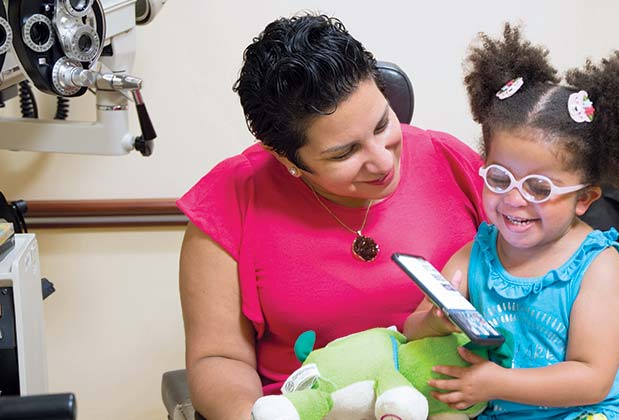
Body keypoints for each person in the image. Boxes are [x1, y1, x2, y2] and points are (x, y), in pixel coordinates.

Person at [177, 13, 486, 420]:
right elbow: (219, 357)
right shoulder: (229, 202)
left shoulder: (452, 162)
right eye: (344, 153)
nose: (381, 161)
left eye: (382, 124)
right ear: (287, 159)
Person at [404, 23, 619, 420]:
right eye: (499, 178)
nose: (513, 199)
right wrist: (434, 323)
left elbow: (592, 378)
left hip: (587, 412)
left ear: (584, 198)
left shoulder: (597, 265)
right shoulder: (478, 254)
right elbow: (410, 328)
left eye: (539, 188)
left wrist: (494, 383)